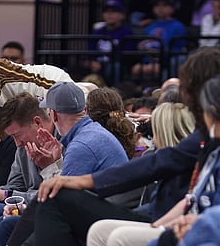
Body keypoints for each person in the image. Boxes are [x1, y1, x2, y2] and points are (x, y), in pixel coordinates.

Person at [5, 46, 220, 246]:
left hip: (158, 215)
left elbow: (158, 164)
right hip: (154, 212)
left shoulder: (84, 142)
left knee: (53, 198)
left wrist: (80, 181)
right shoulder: (86, 135)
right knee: (51, 199)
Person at [86, 79, 213, 246]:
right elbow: (190, 200)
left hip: (192, 226)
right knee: (99, 229)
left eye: (155, 132)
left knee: (116, 235)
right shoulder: (195, 153)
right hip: (165, 219)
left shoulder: (173, 160)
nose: (151, 139)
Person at [131, 0, 187, 81]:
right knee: (136, 68)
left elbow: (178, 50)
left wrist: (161, 60)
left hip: (165, 63)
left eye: (164, 5)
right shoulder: (149, 26)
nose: (160, 8)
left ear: (172, 8)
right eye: (157, 5)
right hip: (148, 61)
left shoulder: (178, 26)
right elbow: (143, 46)